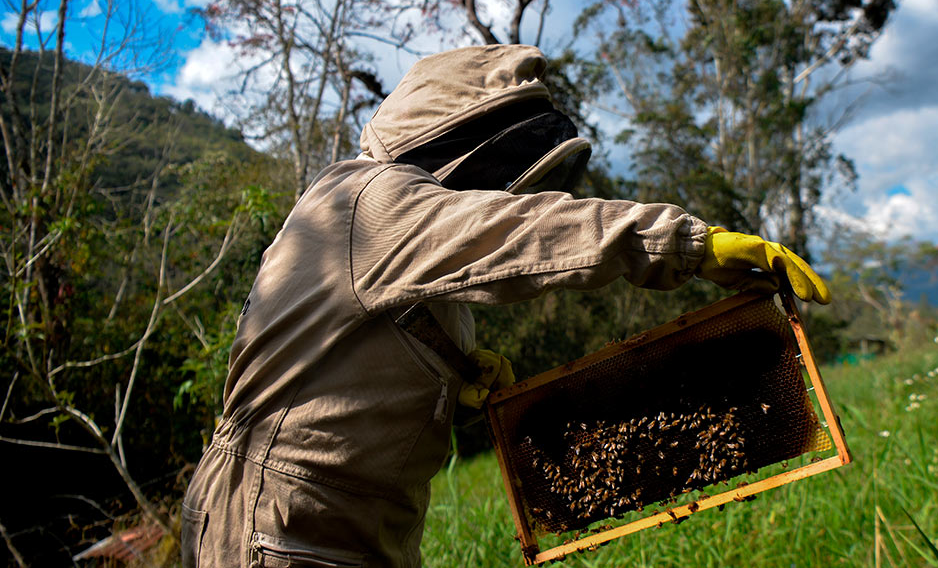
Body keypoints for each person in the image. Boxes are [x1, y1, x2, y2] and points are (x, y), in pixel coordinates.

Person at [180, 44, 829, 568]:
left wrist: (457, 378)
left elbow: (350, 371)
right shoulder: (365, 198)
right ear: (450, 134)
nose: (500, 189)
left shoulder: (402, 250)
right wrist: (687, 244)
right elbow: (518, 232)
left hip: (333, 526)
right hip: (281, 522)